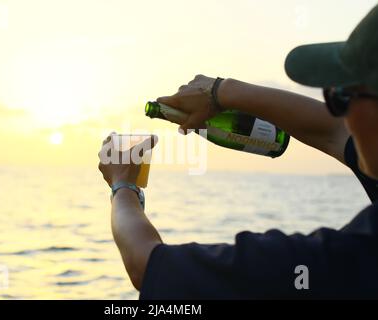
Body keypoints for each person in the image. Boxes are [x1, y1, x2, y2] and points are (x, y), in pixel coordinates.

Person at [98, 5, 378, 298]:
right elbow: (332, 132)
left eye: (342, 96)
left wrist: (123, 184)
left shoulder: (354, 258)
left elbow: (147, 265)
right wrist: (220, 91)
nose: (342, 116)